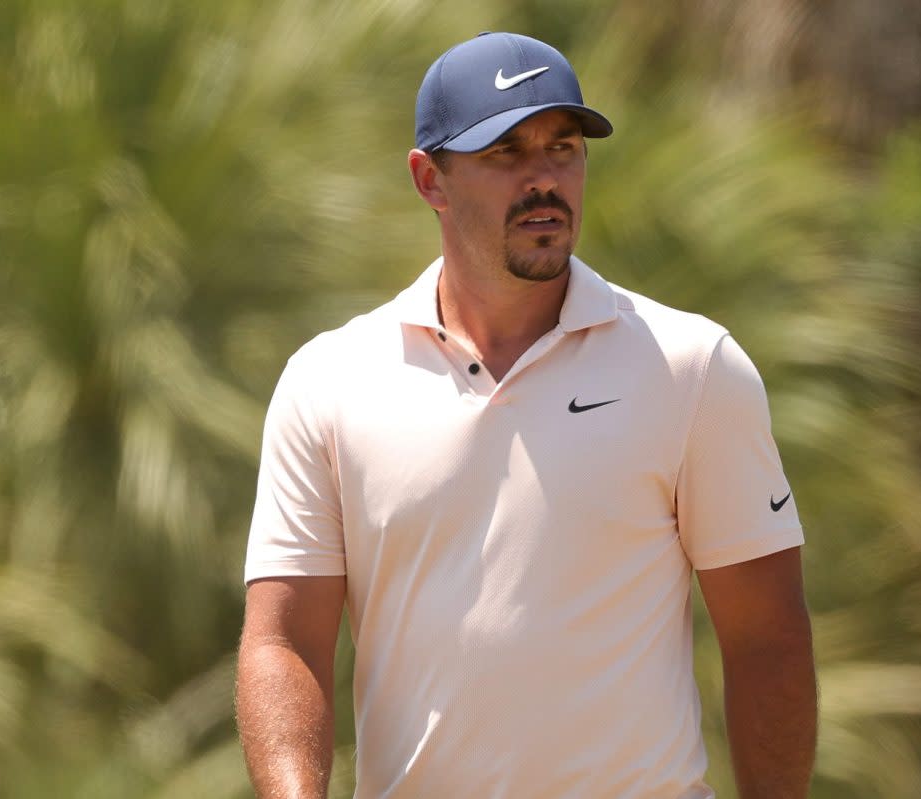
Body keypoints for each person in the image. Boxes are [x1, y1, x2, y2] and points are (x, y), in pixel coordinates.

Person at [236, 31, 816, 799]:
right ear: (429, 179)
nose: (545, 178)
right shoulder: (328, 380)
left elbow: (767, 639)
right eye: (506, 152)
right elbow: (284, 642)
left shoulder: (693, 367)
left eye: (564, 147)